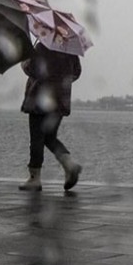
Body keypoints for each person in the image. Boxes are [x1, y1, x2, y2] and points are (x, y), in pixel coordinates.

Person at [18, 42, 82, 192]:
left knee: (37, 138)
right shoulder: (69, 49)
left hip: (40, 99)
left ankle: (35, 178)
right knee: (49, 137)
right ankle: (69, 164)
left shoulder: (42, 46)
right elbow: (77, 72)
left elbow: (33, 69)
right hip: (60, 100)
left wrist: (24, 62)